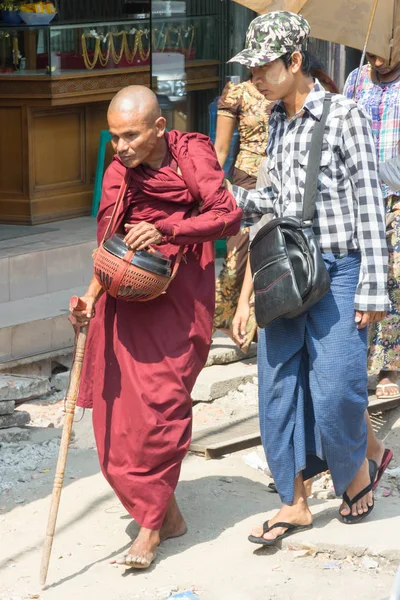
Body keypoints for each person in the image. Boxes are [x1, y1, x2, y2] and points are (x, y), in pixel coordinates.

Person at [228, 11, 389, 543]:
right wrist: (228, 197)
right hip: (289, 271)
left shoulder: (345, 116)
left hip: (340, 272)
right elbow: (275, 203)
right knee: (277, 387)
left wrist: (373, 288)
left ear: (295, 61)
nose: (254, 76)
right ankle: (293, 501)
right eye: (250, 66)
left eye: (263, 66)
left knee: (339, 386)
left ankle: (356, 472)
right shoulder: (276, 121)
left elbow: (369, 205)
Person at [71, 85, 242, 569]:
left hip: (181, 295)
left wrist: (169, 229)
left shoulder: (192, 155)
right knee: (115, 425)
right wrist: (89, 296)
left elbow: (227, 215)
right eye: (115, 137)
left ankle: (148, 529)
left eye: (130, 136)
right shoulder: (118, 175)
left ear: (159, 128)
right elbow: (108, 244)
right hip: (128, 299)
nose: (121, 147)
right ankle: (165, 515)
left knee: (161, 409)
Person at [344, 54, 400, 403]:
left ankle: (388, 366)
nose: (377, 57)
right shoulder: (356, 79)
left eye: (386, 49)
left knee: (392, 275)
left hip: (395, 192)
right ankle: (355, 361)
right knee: (357, 274)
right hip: (357, 192)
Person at [213, 77, 273, 351]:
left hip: (279, 178)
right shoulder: (237, 92)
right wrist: (210, 188)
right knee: (236, 256)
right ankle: (219, 322)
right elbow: (221, 148)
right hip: (246, 180)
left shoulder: (288, 90)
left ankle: (257, 327)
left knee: (269, 253)